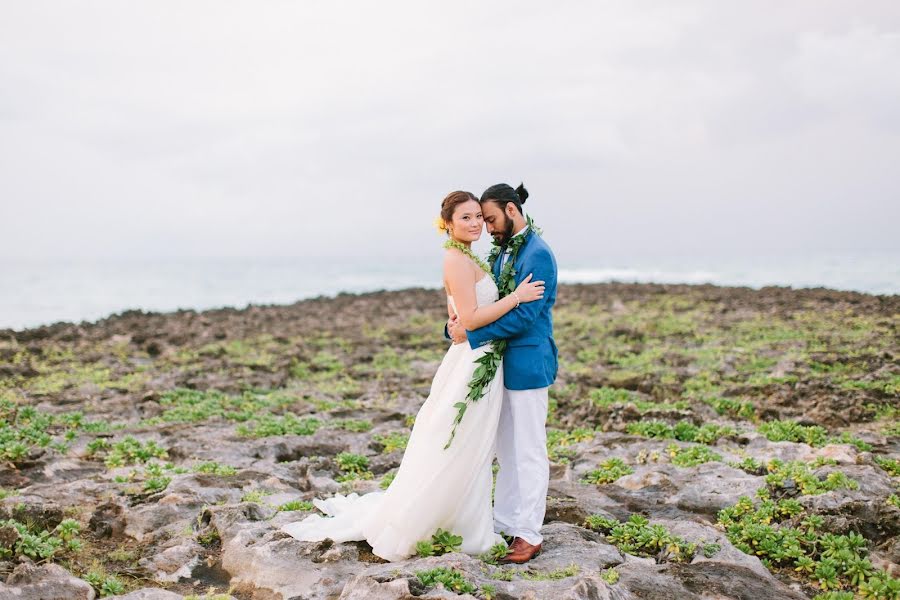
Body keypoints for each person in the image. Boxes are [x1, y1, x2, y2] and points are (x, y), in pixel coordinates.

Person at [279, 190, 545, 562]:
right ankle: (450, 519)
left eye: (480, 218)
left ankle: (482, 518)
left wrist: (458, 326)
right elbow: (468, 319)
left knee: (473, 442)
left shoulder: (481, 254)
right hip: (472, 361)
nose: (477, 224)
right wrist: (513, 298)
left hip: (483, 358)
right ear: (448, 224)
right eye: (467, 218)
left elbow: (460, 314)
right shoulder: (457, 258)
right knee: (456, 439)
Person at [447, 183, 558, 564]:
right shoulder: (502, 250)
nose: (487, 227)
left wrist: (472, 333)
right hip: (499, 365)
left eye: (490, 218)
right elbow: (484, 303)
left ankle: (529, 533)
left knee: (528, 450)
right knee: (505, 449)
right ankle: (507, 521)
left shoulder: (538, 254)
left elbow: (527, 315)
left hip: (528, 363)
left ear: (511, 211)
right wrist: (457, 326)